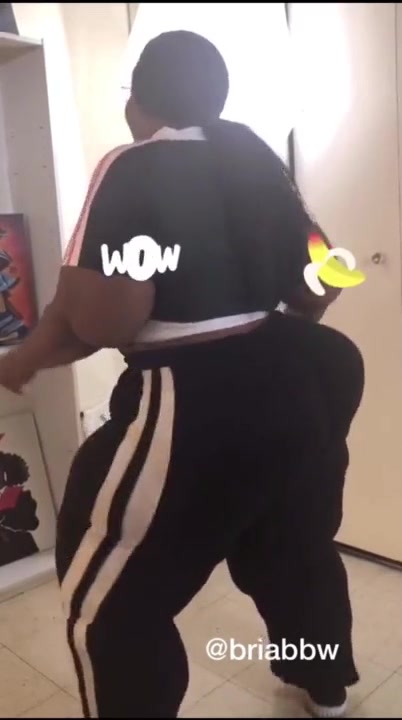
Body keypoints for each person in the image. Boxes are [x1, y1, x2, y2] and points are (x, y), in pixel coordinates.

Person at [0, 31, 364, 719]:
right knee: (294, 551)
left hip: (193, 399)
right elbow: (320, 284)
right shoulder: (254, 158)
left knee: (108, 601)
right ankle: (326, 686)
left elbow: (104, 321)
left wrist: (22, 358)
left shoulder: (132, 165)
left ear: (136, 101)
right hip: (305, 380)